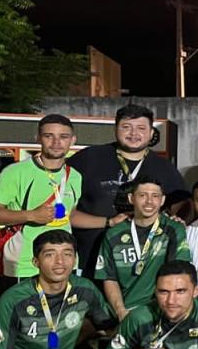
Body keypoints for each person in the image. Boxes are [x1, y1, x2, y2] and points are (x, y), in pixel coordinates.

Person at [68, 104, 188, 274]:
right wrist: (108, 222)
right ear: (115, 129)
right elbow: (63, 213)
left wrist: (177, 219)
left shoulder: (164, 167)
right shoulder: (88, 158)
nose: (133, 134)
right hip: (89, 258)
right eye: (126, 127)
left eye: (141, 128)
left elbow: (182, 207)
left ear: (151, 133)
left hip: (143, 264)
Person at [0, 114, 91, 278]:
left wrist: (110, 222)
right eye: (48, 136)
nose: (56, 142)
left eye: (63, 137)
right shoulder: (15, 172)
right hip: (26, 264)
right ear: (38, 138)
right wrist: (31, 215)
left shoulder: (75, 176)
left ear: (72, 140)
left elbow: (70, 215)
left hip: (64, 265)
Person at [94, 177, 191, 320]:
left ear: (162, 200)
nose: (149, 202)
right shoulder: (114, 234)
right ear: (131, 198)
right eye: (142, 195)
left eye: (155, 196)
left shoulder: (173, 229)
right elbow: (109, 278)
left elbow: (176, 274)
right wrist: (121, 312)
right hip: (122, 309)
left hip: (157, 309)